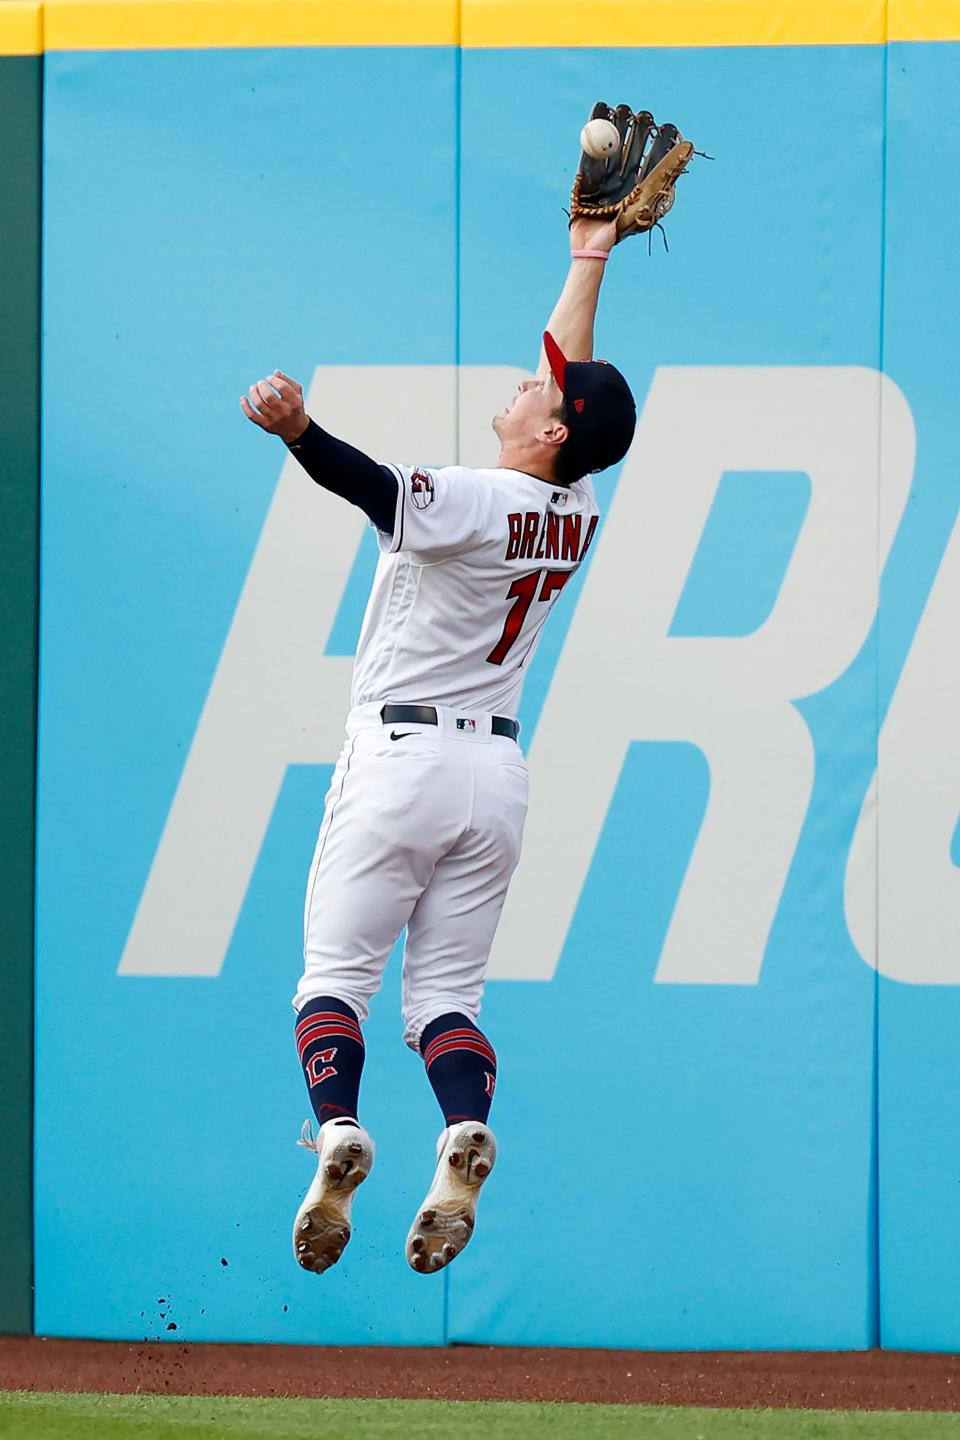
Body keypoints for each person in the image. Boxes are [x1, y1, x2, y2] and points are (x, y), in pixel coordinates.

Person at [241, 213, 636, 1277]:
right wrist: (586, 254)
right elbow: (570, 375)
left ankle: (338, 1131)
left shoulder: (472, 499)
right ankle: (460, 1126)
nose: (521, 383)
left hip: (400, 762)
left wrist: (296, 429)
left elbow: (370, 485)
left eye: (537, 392)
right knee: (447, 1004)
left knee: (332, 980)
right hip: (495, 776)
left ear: (552, 434)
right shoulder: (578, 505)